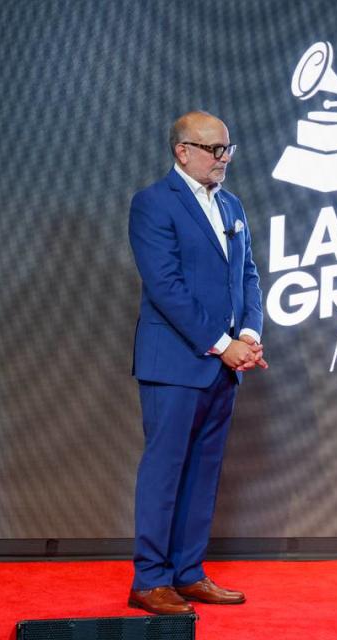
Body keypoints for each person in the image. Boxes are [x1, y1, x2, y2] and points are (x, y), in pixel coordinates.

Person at [127, 111, 268, 615]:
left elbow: (248, 275)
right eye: (214, 149)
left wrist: (249, 335)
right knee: (165, 472)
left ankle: (188, 573)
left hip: (224, 366)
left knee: (203, 474)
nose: (223, 159)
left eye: (227, 149)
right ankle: (149, 579)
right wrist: (220, 342)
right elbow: (165, 287)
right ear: (182, 150)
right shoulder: (152, 204)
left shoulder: (232, 204)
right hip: (175, 364)